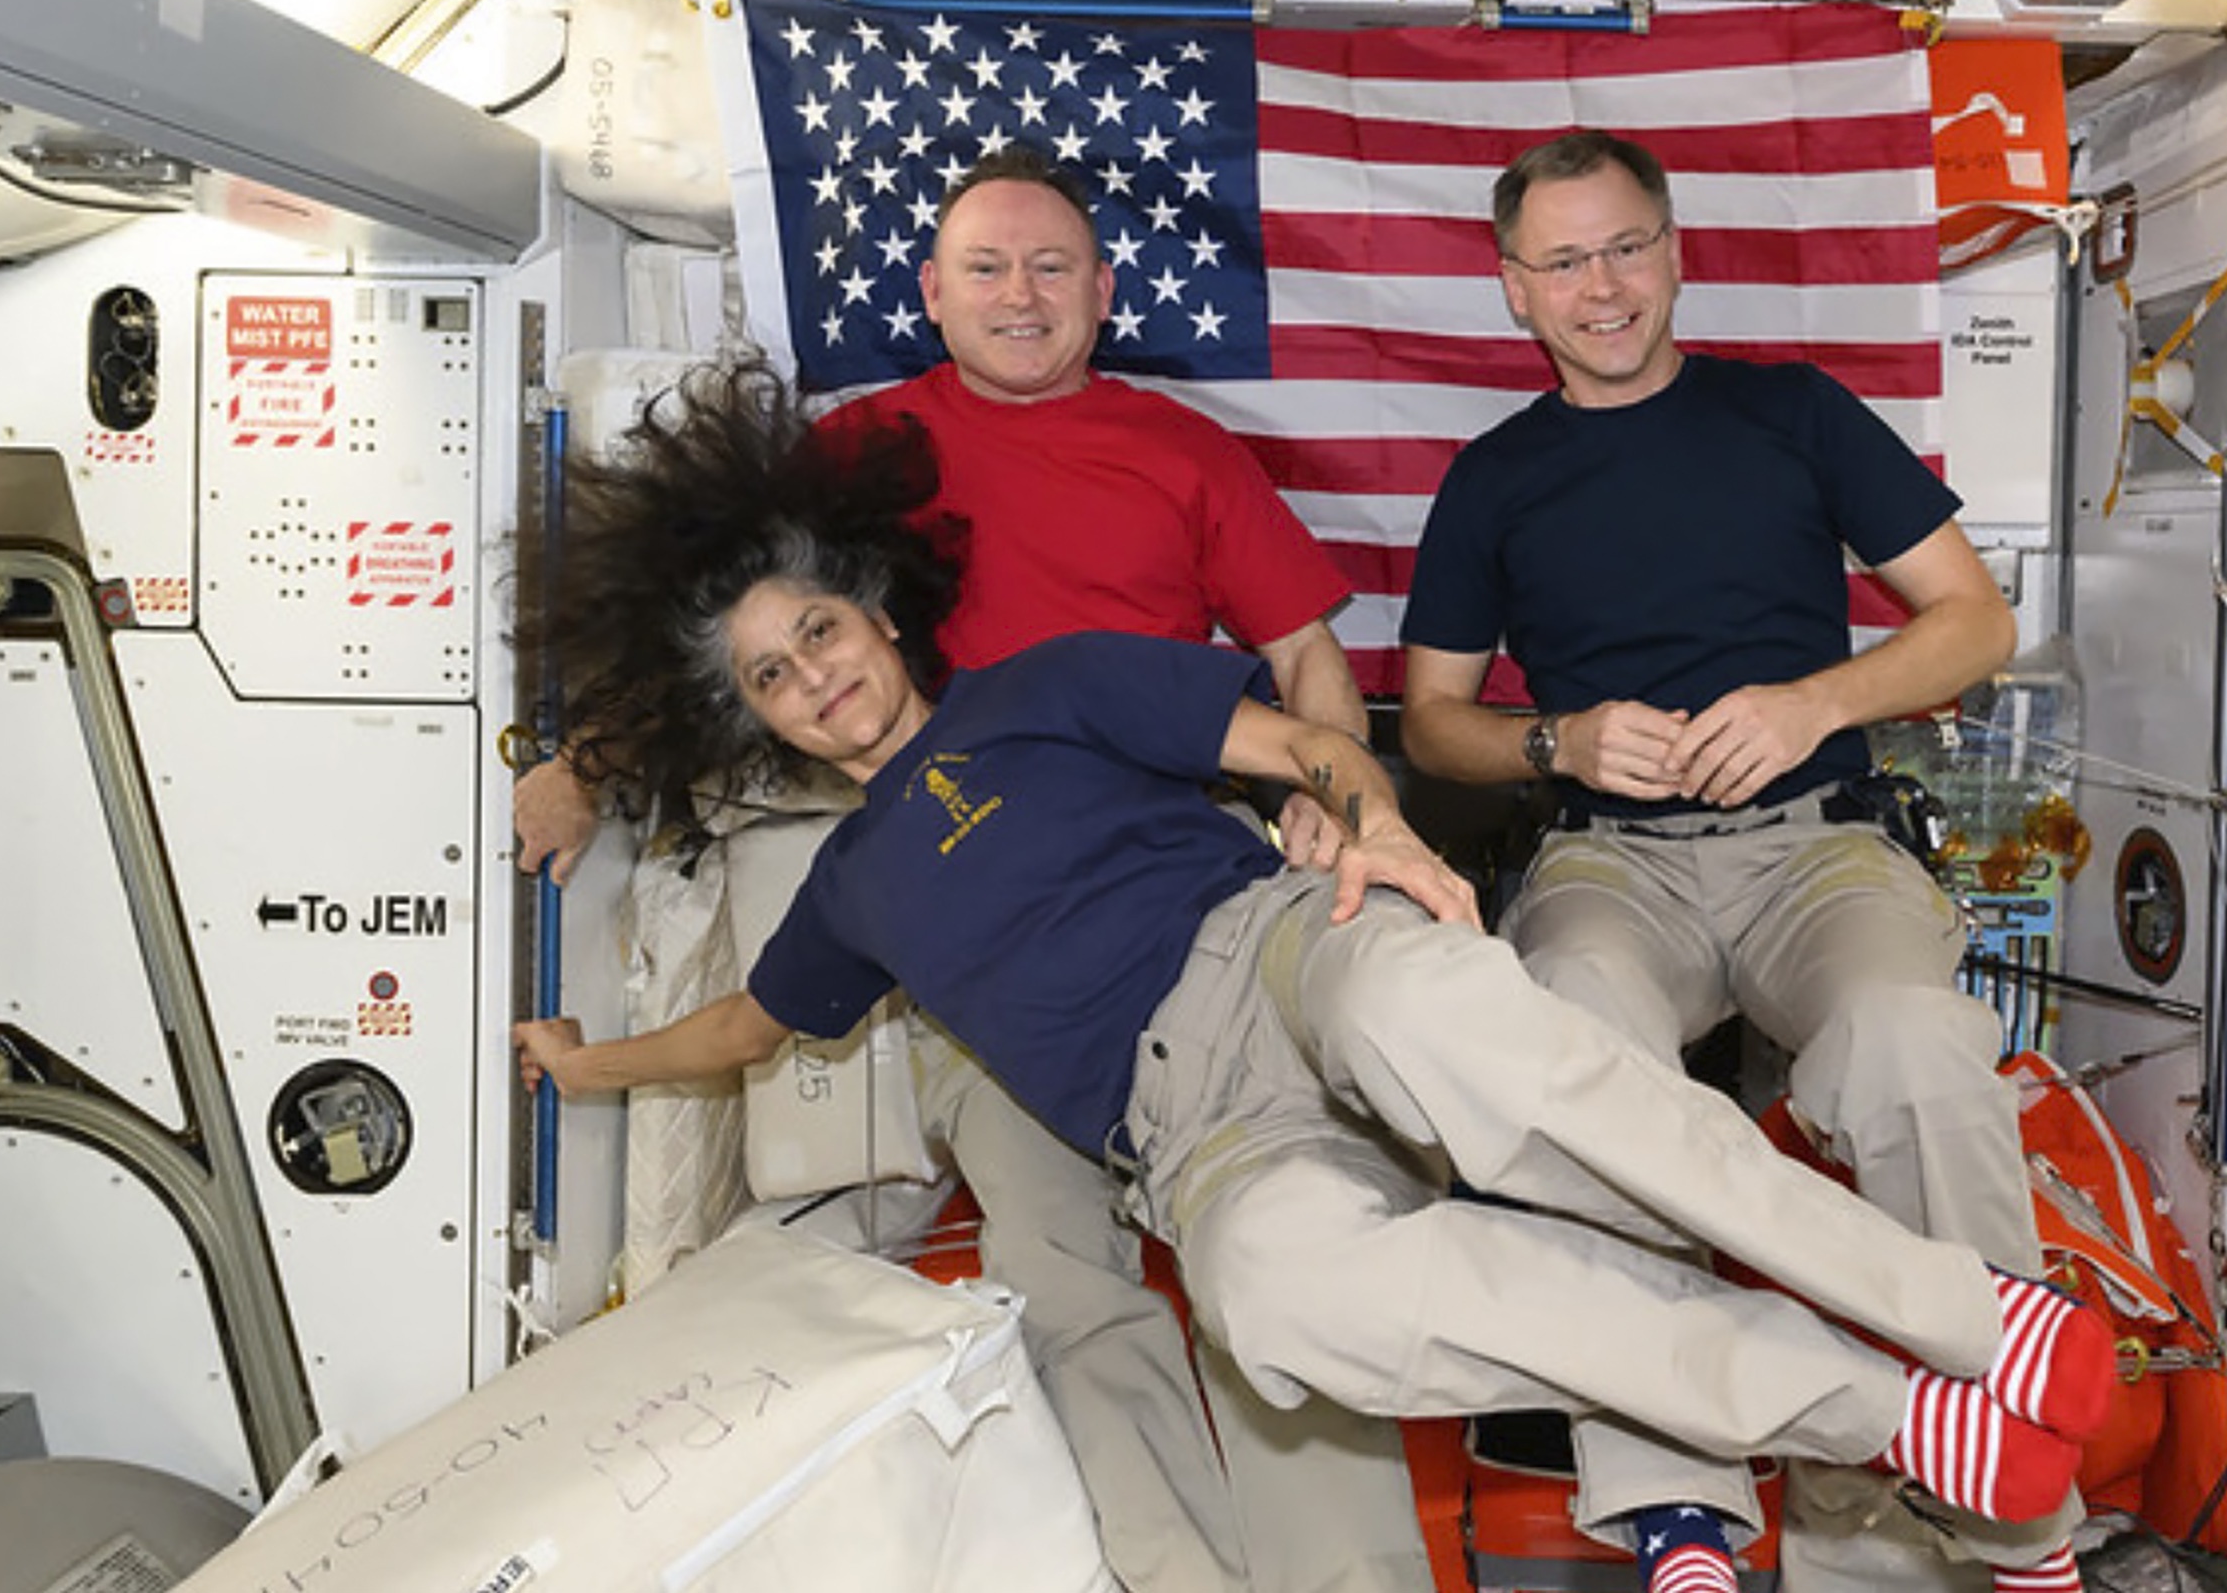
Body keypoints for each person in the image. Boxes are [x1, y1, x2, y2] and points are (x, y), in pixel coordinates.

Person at [512, 361, 2110, 1577]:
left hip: (1275, 953)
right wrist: (587, 1065)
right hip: (1190, 1138)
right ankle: (1896, 1416)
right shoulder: (850, 890)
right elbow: (741, 1025)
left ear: (869, 607)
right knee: (1279, 1305)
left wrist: (1377, 834)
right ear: (760, 720)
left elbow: (1292, 738)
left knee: (1443, 1011)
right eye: (776, 682)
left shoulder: (1045, 682)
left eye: (820, 635)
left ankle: (1961, 1314)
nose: (819, 682)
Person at [513, 147, 1416, 1593]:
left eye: (1052, 266)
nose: (1019, 293)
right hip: (972, 947)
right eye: (986, 267)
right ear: (930, 295)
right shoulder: (859, 452)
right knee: (1066, 1288)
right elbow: (732, 633)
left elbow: (1311, 656)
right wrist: (584, 765)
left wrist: (1332, 796)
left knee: (1292, 1265)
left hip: (1193, 903)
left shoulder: (1183, 451)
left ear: (1104, 294)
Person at [1397, 130, 2080, 1593]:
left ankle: (2015, 1501)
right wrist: (1555, 744)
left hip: (1815, 847)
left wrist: (1814, 700)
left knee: (1912, 1042)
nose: (1603, 286)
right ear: (1515, 290)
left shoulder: (1794, 415)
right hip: (1609, 862)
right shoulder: (1492, 478)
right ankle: (1675, 1507)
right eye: (1564, 261)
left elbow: (1972, 622)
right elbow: (1434, 723)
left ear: (1677, 251)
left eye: (1626, 246)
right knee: (1576, 1044)